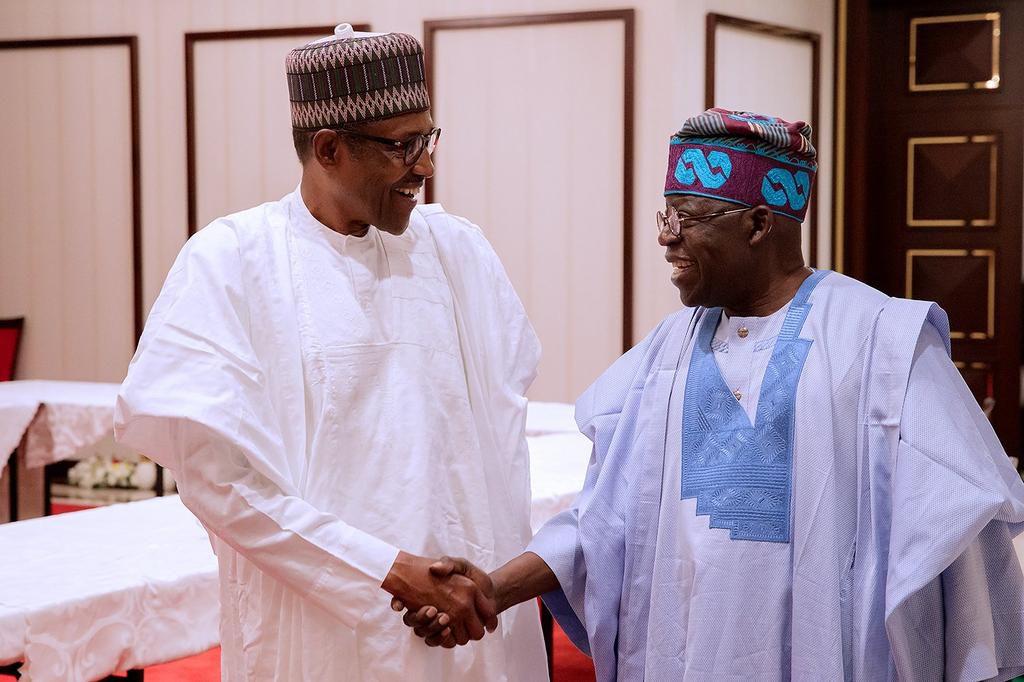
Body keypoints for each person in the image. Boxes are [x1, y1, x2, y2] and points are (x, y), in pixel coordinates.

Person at [399, 109, 1024, 681]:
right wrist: (493, 587)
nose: (666, 239)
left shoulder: (882, 345)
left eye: (686, 219)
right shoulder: (665, 355)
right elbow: (604, 524)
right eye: (663, 218)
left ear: (758, 224)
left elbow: (958, 543)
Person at [114, 23, 546, 681]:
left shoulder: (460, 252)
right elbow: (219, 480)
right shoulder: (232, 263)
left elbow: (494, 448)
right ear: (328, 148)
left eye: (428, 139)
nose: (425, 167)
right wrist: (387, 572)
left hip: (465, 628)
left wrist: (470, 584)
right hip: (317, 638)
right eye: (403, 147)